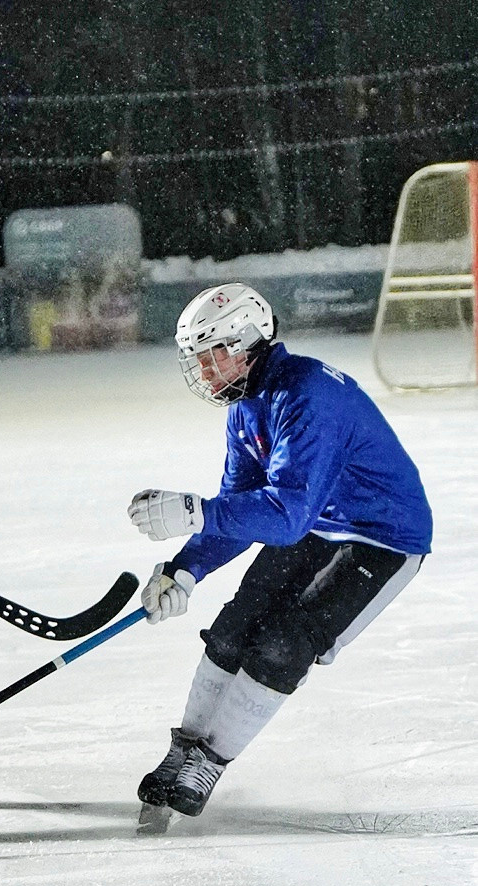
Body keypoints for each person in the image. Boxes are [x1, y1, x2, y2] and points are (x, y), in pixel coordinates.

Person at [127, 282, 432, 824]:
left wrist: (197, 512)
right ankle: (185, 748)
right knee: (232, 629)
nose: (201, 370)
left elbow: (286, 515)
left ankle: (209, 760)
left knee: (283, 646)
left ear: (246, 342)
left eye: (209, 354)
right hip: (314, 522)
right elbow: (240, 506)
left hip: (381, 536)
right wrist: (183, 570)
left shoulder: (308, 396)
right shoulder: (247, 404)